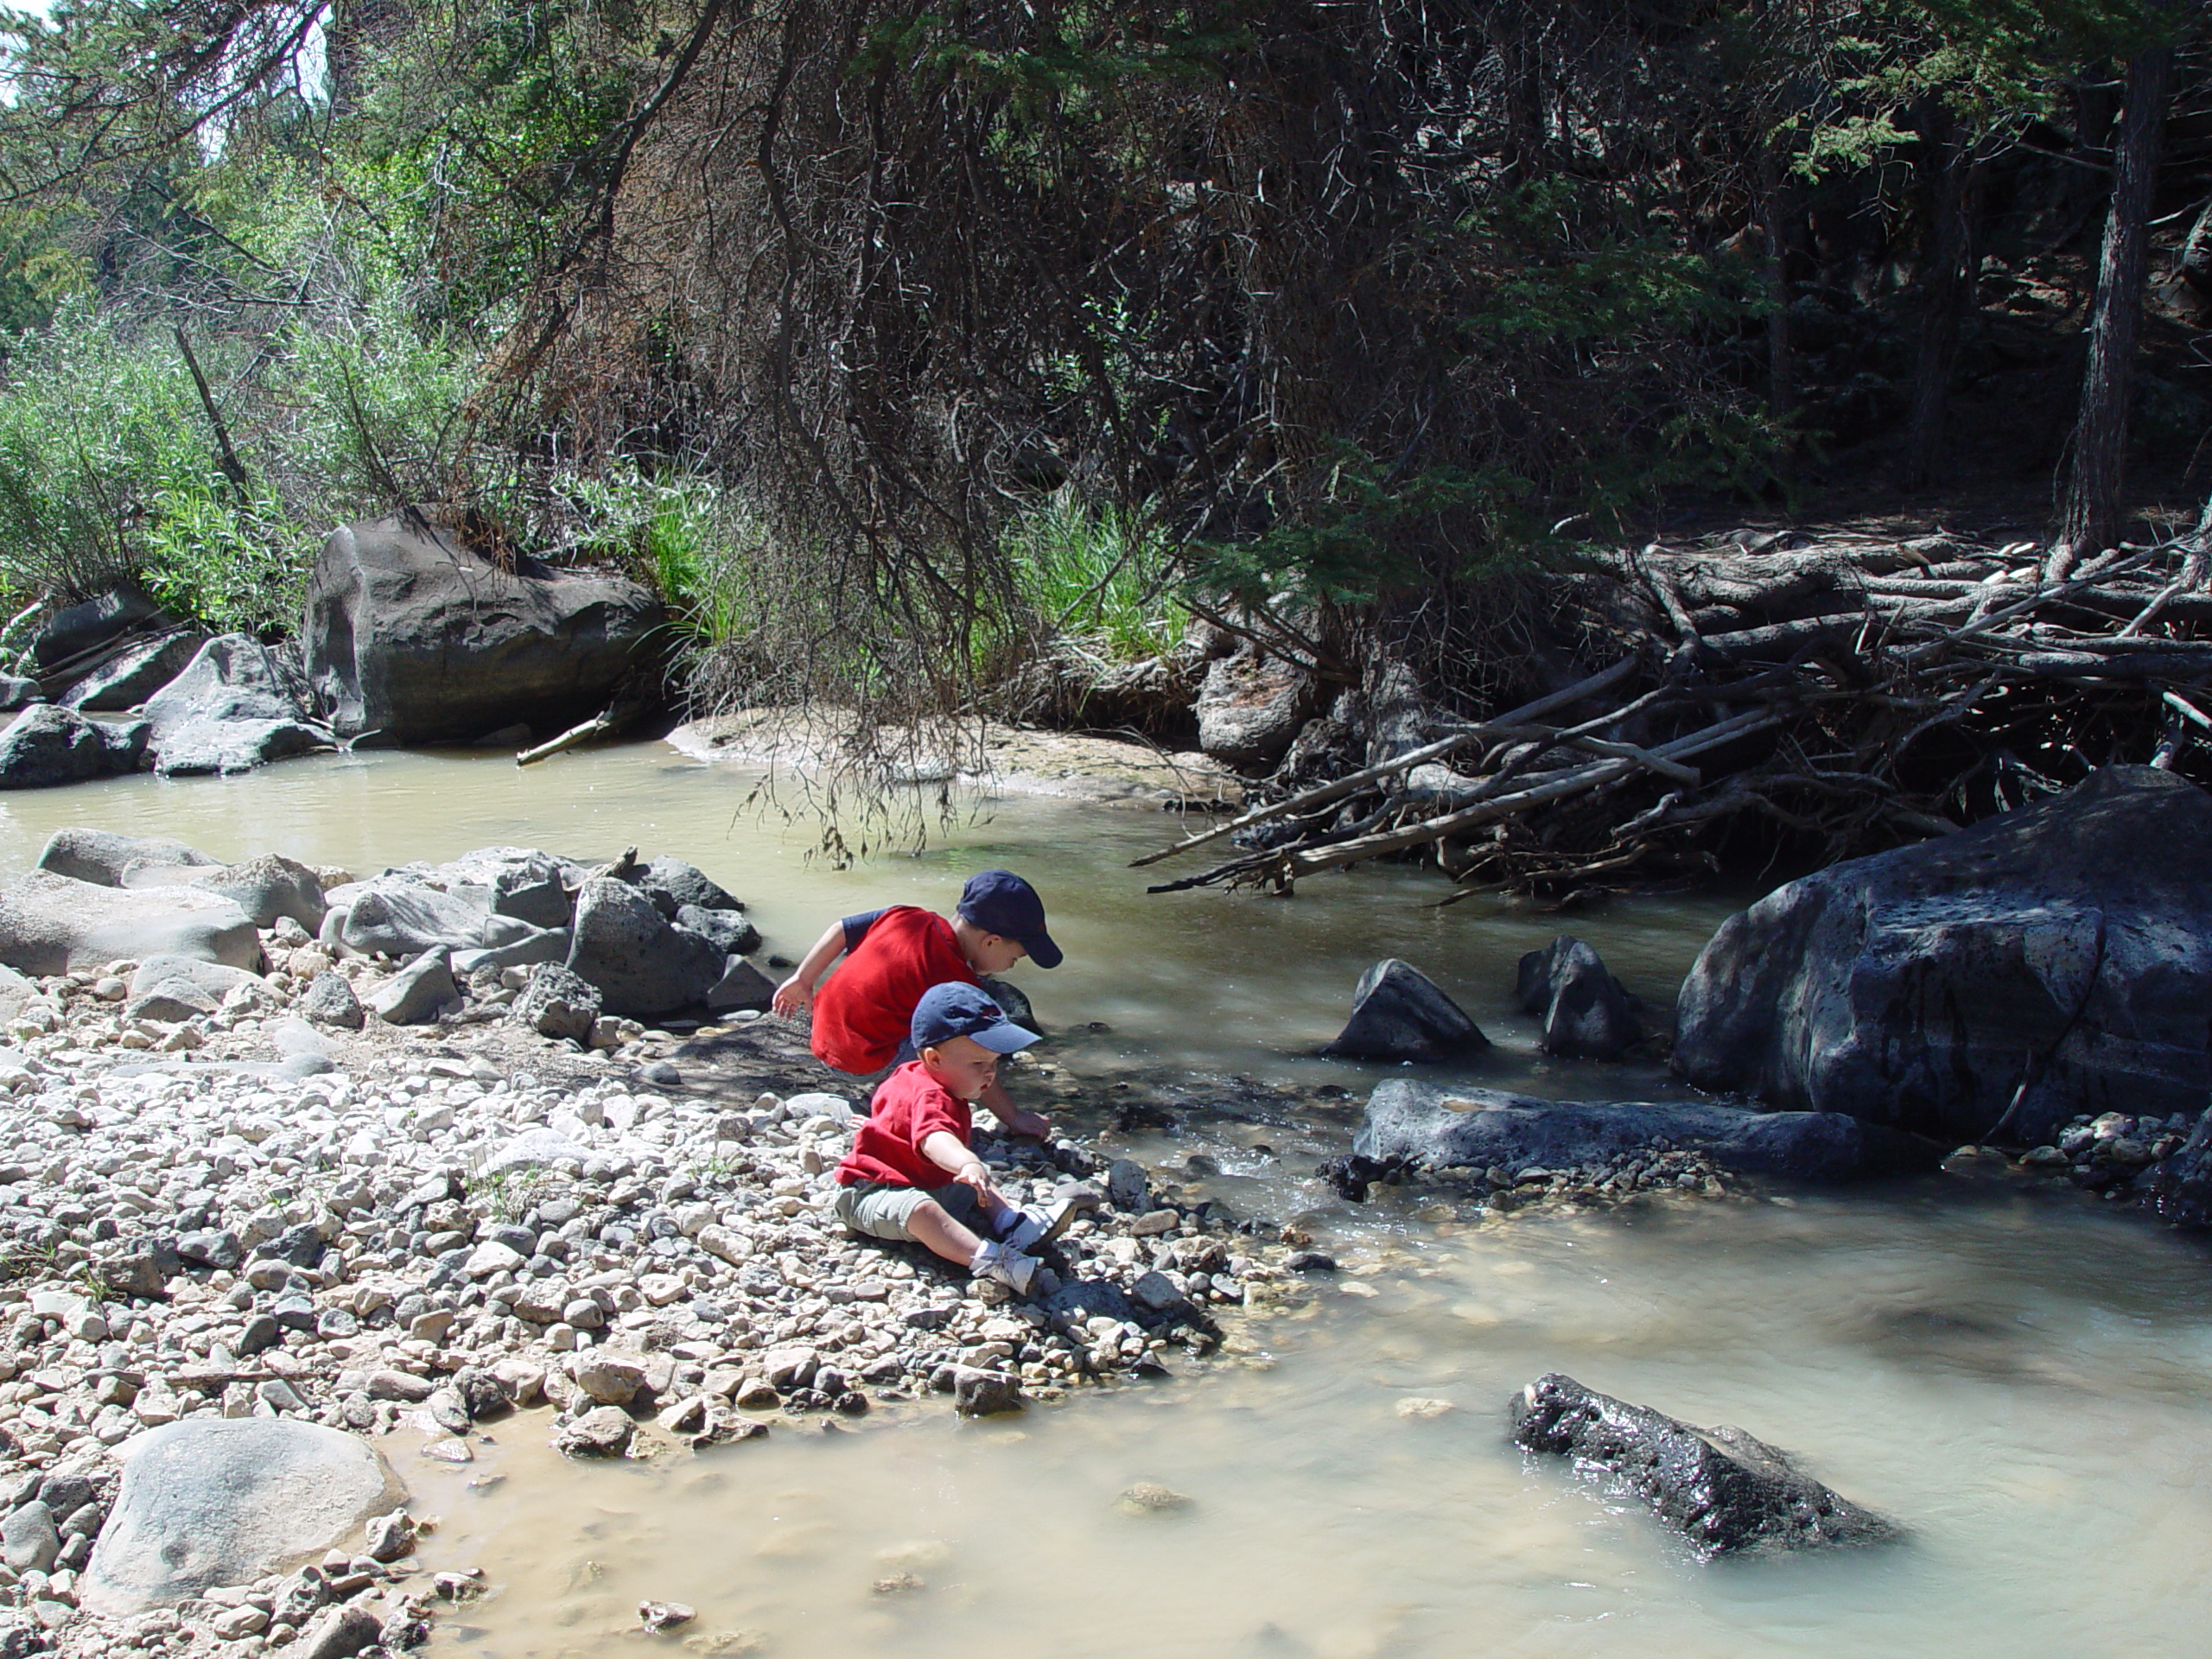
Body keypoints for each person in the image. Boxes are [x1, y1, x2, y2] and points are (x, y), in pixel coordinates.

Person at [830, 982, 1094, 1296]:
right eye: (978, 1064)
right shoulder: (930, 1094)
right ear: (935, 1058)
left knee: (976, 1183)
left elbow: (894, 1112)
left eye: (994, 1063)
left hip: (929, 1181)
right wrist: (967, 1161)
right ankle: (994, 1260)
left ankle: (1010, 1221)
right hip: (872, 1195)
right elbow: (934, 1137)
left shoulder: (927, 1076)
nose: (990, 1074)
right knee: (924, 1208)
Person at [773, 869, 1059, 1136]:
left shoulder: (906, 916)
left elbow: (842, 929)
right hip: (859, 1064)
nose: (1010, 967)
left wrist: (803, 979)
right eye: (1015, 958)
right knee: (958, 1052)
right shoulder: (955, 981)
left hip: (823, 1037)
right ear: (991, 942)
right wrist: (1012, 1116)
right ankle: (895, 1105)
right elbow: (976, 1052)